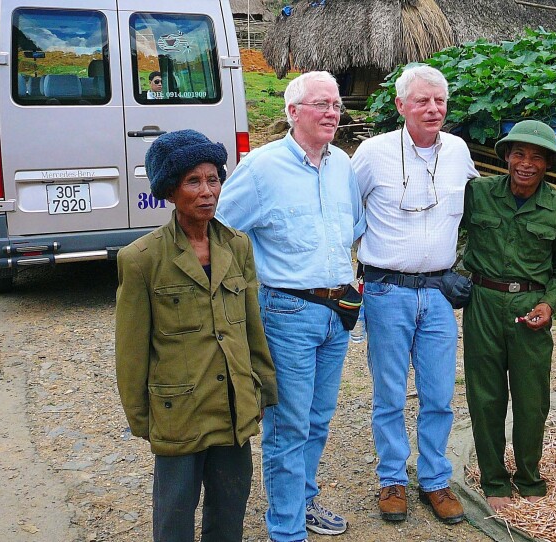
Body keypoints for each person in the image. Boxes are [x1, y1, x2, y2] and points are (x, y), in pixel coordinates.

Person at [215, 71, 364, 542]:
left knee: (318, 418)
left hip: (338, 311)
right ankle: (286, 530)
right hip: (286, 312)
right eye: (321, 104)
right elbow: (220, 230)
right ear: (292, 112)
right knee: (288, 424)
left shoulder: (343, 164)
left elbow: (353, 230)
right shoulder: (261, 168)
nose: (331, 113)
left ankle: (302, 500)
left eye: (336, 105)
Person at [115, 129, 278, 542]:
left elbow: (251, 328)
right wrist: (143, 418)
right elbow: (131, 352)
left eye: (214, 179)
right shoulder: (142, 260)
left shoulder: (238, 246)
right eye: (193, 181)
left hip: (233, 406)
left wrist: (260, 389)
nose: (207, 192)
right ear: (170, 190)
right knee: (174, 515)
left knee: (230, 506)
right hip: (179, 411)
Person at [350, 64, 478, 524]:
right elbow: (346, 212)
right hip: (387, 291)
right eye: (422, 100)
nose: (433, 108)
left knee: (440, 393)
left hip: (440, 293)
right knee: (388, 393)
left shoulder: (459, 151)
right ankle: (392, 480)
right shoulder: (372, 152)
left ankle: (435, 480)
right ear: (401, 105)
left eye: (440, 100)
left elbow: (477, 211)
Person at [461, 120, 556, 511]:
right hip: (483, 302)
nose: (525, 163)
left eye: (536, 156)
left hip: (532, 308)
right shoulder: (478, 194)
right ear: (507, 157)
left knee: (532, 401)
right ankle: (494, 480)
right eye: (518, 154)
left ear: (548, 163)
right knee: (485, 396)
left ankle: (529, 476)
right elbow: (446, 231)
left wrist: (549, 305)